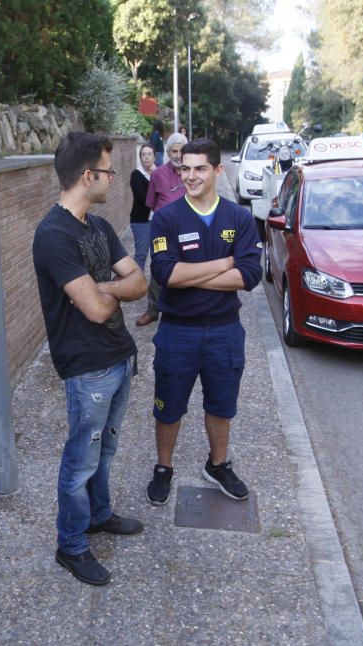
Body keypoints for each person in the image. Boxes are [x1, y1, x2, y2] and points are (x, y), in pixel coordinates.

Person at [32, 132, 148, 586]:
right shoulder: (53, 235)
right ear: (87, 176)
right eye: (108, 171)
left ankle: (98, 515)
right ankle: (72, 545)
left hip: (120, 357)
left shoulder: (98, 228)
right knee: (81, 458)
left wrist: (102, 288)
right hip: (87, 369)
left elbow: (139, 283)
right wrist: (108, 293)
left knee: (106, 451)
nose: (112, 179)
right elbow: (100, 309)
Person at [144, 138, 262, 506]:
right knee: (168, 404)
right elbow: (165, 274)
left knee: (221, 404)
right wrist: (224, 264)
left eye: (199, 169)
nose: (190, 176)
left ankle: (218, 464)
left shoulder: (238, 218)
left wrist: (190, 273)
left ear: (217, 170)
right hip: (178, 331)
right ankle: (164, 467)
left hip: (225, 331)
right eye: (184, 168)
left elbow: (250, 276)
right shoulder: (167, 218)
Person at [138, 132, 188, 327]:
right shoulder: (157, 175)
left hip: (186, 232)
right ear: (167, 152)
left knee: (187, 266)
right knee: (158, 267)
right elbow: (151, 202)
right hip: (162, 233)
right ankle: (153, 310)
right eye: (173, 151)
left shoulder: (191, 173)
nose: (177, 155)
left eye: (181, 151)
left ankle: (182, 308)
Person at [129, 143, 156, 274]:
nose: (146, 157)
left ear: (154, 157)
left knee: (159, 252)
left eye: (149, 154)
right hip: (141, 221)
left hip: (157, 221)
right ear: (140, 158)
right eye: (143, 155)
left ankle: (157, 284)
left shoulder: (158, 173)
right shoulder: (136, 175)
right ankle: (135, 282)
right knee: (141, 253)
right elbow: (143, 197)